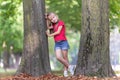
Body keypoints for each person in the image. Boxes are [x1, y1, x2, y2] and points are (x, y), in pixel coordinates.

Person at [45, 12, 74, 77]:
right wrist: (47, 19)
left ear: (56, 16)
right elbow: (47, 27)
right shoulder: (53, 25)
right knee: (58, 57)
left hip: (63, 42)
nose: (53, 19)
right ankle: (70, 66)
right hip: (57, 43)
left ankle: (65, 72)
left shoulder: (61, 22)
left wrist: (49, 35)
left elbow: (58, 32)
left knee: (65, 57)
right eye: (51, 19)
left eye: (53, 17)